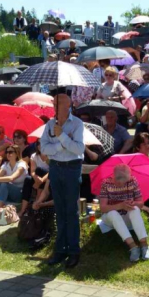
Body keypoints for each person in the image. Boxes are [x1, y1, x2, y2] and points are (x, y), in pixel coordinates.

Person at [40, 94, 84, 268]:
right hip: (56, 168)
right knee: (60, 210)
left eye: (58, 104)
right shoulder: (50, 125)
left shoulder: (77, 124)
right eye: (54, 104)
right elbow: (44, 149)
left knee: (71, 211)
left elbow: (79, 148)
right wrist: (61, 142)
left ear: (68, 106)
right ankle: (60, 250)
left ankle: (73, 250)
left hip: (72, 168)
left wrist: (62, 137)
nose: (55, 107)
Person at [99, 164, 149, 262]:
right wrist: (120, 205)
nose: (122, 185)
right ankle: (133, 246)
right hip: (111, 218)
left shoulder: (133, 181)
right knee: (113, 213)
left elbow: (140, 203)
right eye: (118, 183)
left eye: (124, 182)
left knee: (135, 209)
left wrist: (133, 203)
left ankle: (144, 245)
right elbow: (103, 208)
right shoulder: (106, 183)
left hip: (127, 215)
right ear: (114, 177)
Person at [0, 144, 28, 222]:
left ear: (16, 153)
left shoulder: (21, 164)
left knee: (4, 183)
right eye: (7, 152)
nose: (8, 154)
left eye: (10, 152)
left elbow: (12, 178)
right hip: (6, 192)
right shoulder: (6, 164)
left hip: (18, 193)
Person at [20, 141, 49, 217]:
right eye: (38, 143)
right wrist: (37, 179)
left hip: (48, 179)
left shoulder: (52, 156)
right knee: (28, 179)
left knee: (39, 170)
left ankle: (37, 201)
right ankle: (23, 209)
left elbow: (52, 171)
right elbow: (32, 172)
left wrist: (41, 180)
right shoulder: (34, 156)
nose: (40, 145)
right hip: (37, 178)